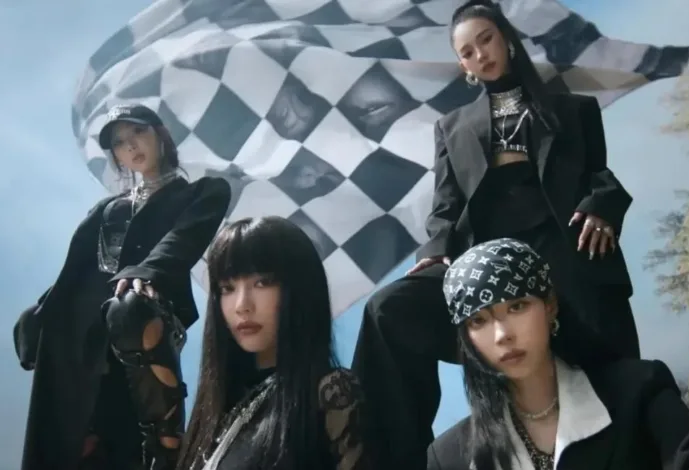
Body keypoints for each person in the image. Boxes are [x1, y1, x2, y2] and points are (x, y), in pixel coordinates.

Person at [352, 1, 639, 469]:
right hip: (481, 265)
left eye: (485, 40)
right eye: (466, 52)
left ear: (506, 39)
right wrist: (436, 252)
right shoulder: (451, 128)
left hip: (561, 246)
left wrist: (603, 207)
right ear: (463, 66)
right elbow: (445, 208)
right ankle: (391, 459)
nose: (480, 54)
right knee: (388, 308)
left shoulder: (573, 110)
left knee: (609, 368)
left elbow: (599, 176)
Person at [427, 238, 689, 470]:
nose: (502, 335)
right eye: (479, 320)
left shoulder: (636, 391)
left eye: (517, 307)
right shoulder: (450, 457)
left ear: (550, 306)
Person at [13, 103, 232, 470]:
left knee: (137, 445)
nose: (130, 146)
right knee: (71, 446)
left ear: (160, 134)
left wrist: (147, 272)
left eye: (138, 132)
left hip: (138, 327)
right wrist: (40, 315)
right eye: (119, 143)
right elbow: (76, 270)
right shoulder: (106, 208)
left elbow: (182, 238)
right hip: (82, 339)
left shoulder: (202, 193)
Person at [176, 217, 376, 470]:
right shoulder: (220, 402)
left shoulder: (330, 393)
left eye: (262, 283)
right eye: (227, 288)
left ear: (300, 290)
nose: (242, 305)